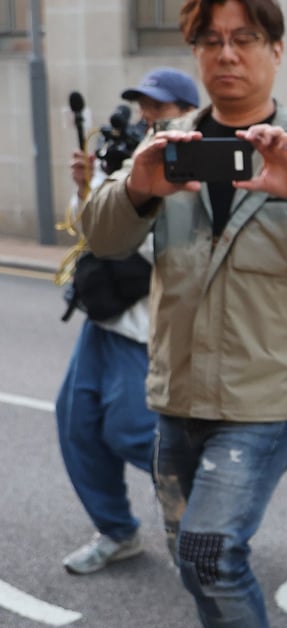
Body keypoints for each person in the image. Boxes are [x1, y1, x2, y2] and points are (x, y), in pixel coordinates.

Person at [79, 1, 287, 628]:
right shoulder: (165, 143)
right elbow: (101, 238)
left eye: (245, 37)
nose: (226, 54)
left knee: (211, 551)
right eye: (210, 40)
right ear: (195, 53)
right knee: (195, 558)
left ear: (276, 49)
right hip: (177, 390)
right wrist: (138, 188)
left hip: (263, 398)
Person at [58, 67, 199, 576]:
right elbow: (93, 231)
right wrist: (88, 187)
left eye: (157, 106)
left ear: (186, 111)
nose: (146, 115)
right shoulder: (134, 161)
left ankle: (209, 502)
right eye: (143, 105)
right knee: (74, 425)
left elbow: (151, 242)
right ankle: (117, 532)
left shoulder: (194, 169)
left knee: (129, 431)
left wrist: (119, 195)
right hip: (102, 321)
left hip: (144, 328)